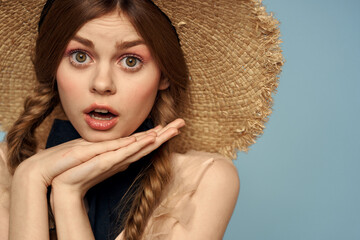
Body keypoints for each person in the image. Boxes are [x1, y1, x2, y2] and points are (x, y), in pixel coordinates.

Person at [0, 0, 283, 239]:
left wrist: (67, 195)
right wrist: (29, 178)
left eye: (131, 61)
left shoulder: (204, 180)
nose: (102, 83)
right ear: (54, 67)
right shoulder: (8, 164)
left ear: (164, 75)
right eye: (79, 55)